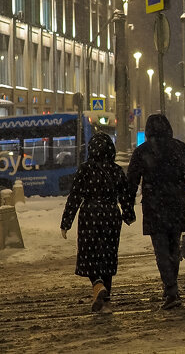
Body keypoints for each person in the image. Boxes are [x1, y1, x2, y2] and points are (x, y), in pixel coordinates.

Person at [126, 113, 185, 310]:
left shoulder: (142, 151)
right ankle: (171, 287)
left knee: (161, 251)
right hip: (176, 204)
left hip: (154, 207)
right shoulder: (179, 148)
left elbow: (131, 182)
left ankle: (170, 289)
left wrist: (127, 208)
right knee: (173, 249)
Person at [60, 131, 135, 313]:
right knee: (108, 256)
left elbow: (75, 196)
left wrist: (66, 222)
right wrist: (128, 214)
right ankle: (105, 301)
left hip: (90, 215)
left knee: (89, 254)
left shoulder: (85, 169)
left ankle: (97, 284)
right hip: (111, 215)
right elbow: (125, 195)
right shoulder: (116, 170)